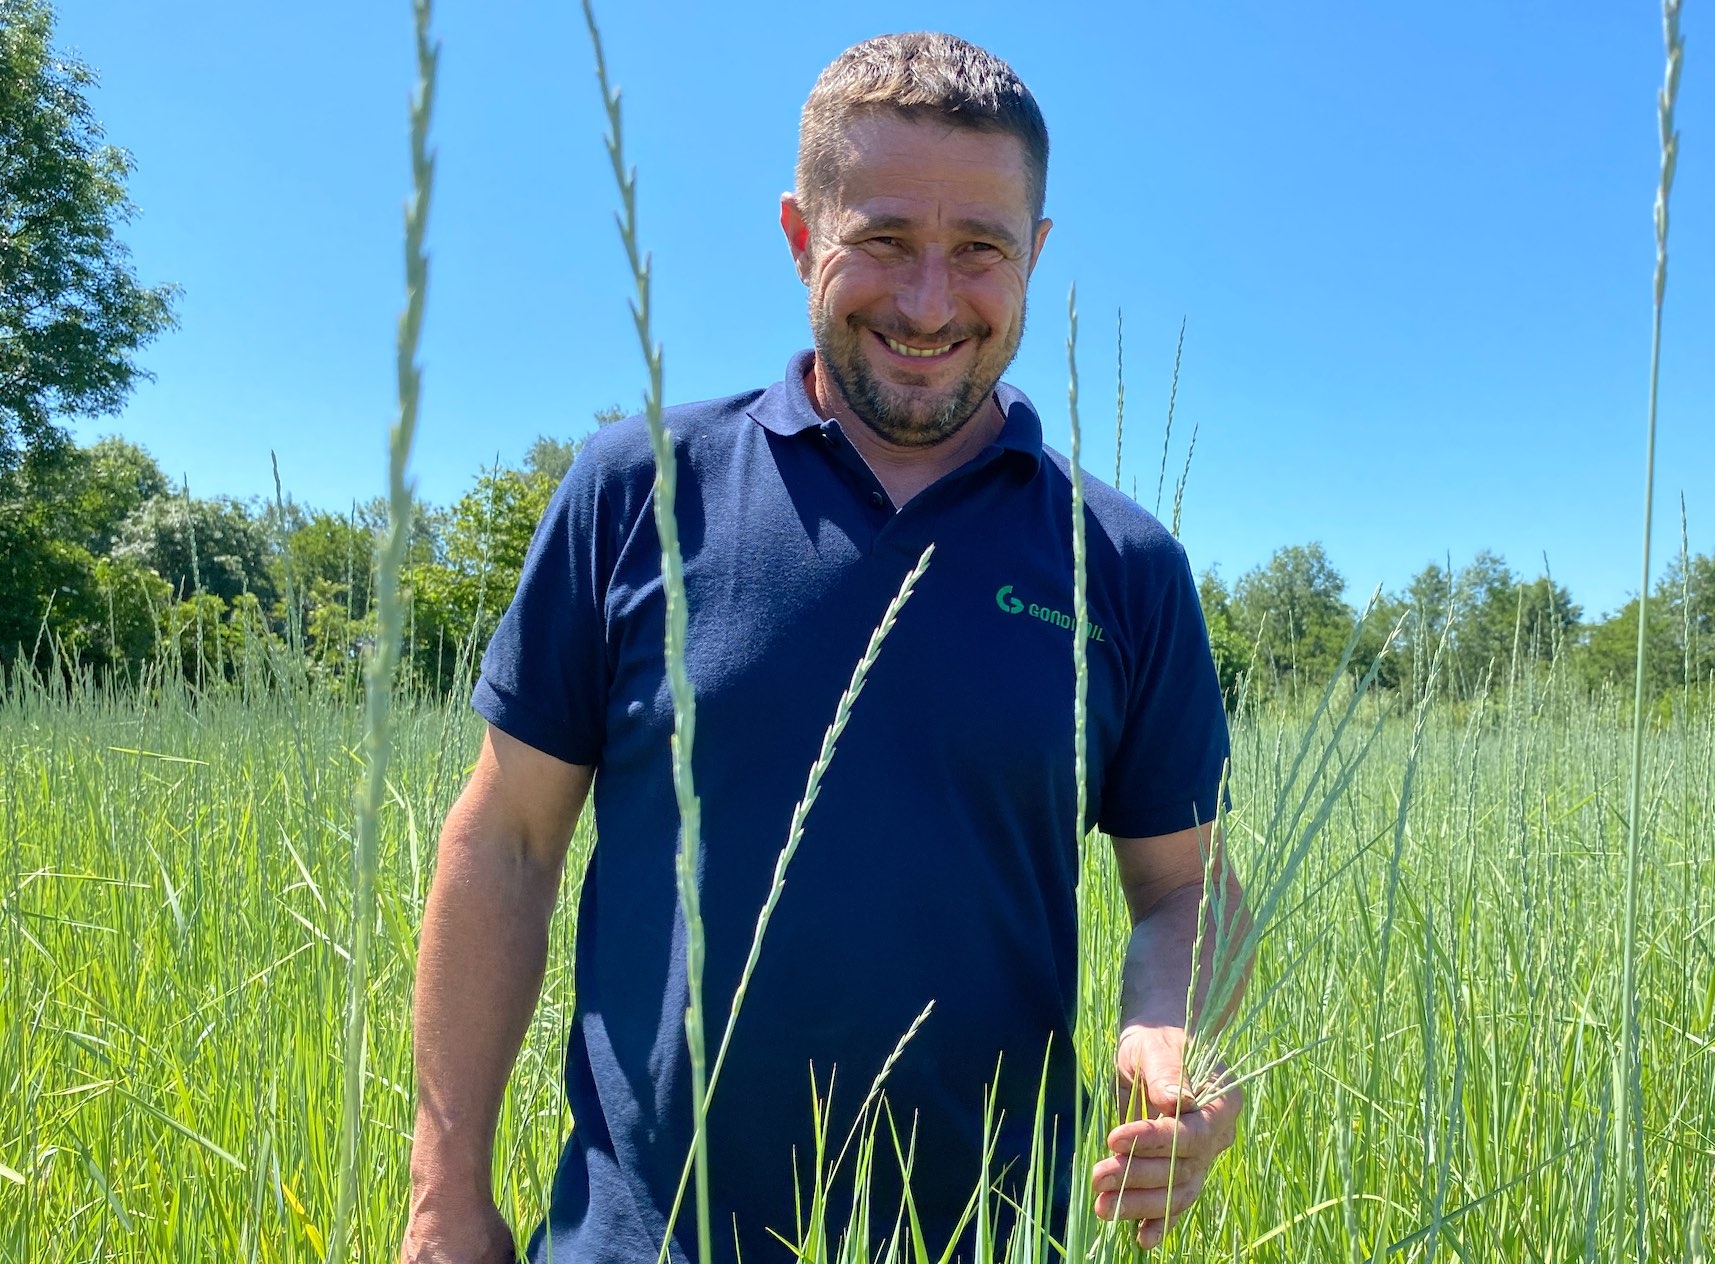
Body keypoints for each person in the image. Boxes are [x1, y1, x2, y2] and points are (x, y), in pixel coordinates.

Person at [402, 31, 1243, 1264]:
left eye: (978, 252)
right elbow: (506, 841)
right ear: (801, 236)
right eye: (883, 241)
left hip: (982, 1241)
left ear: (1036, 258)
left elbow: (1183, 884)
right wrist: (444, 1196)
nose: (926, 301)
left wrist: (1169, 1028)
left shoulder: (1120, 563)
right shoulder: (638, 488)